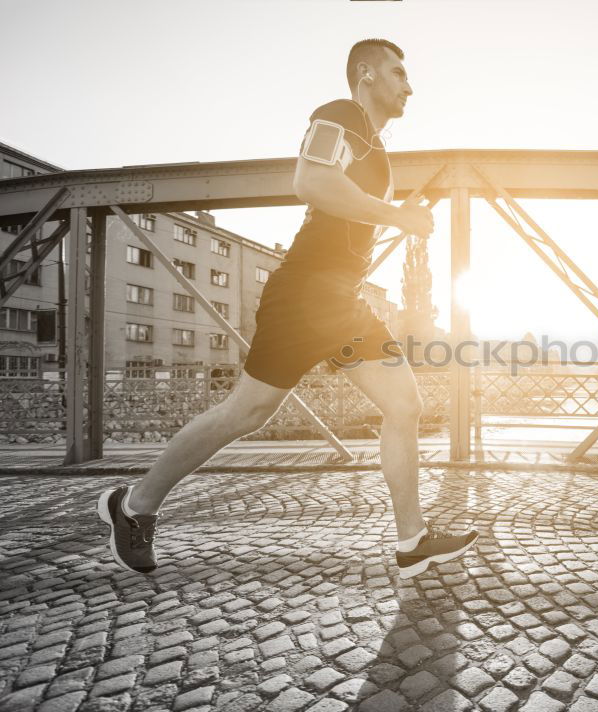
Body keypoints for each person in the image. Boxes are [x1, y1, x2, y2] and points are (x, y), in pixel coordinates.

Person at [97, 38, 478, 580]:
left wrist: (396, 213)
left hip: (340, 299)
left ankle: (412, 540)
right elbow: (311, 181)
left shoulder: (371, 143)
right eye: (398, 73)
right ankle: (133, 507)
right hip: (305, 294)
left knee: (403, 403)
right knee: (247, 413)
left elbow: (347, 202)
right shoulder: (339, 115)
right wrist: (399, 218)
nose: (409, 85)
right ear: (365, 73)